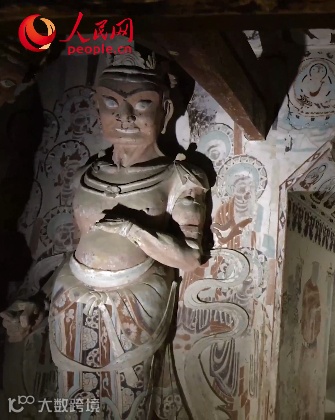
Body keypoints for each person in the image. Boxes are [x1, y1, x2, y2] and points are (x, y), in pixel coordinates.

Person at [1, 50, 209, 419]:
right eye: (111, 102)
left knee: (127, 405)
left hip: (134, 308)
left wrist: (132, 229)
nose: (124, 116)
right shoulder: (87, 175)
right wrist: (40, 301)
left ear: (166, 111)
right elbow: (80, 252)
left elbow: (190, 257)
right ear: (98, 109)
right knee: (72, 405)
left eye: (142, 104)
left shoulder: (179, 178)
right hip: (70, 303)